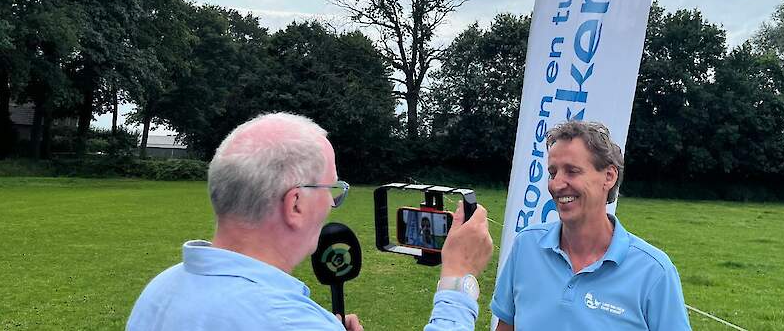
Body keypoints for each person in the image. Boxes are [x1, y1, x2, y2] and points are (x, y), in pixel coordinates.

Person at [127, 112, 493, 331]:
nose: (334, 203)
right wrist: (457, 281)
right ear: (296, 204)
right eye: (332, 188)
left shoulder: (162, 288)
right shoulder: (284, 319)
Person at [490, 120, 691, 330]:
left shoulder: (653, 272)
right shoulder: (527, 245)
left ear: (609, 176)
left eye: (572, 171)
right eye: (553, 172)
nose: (556, 184)